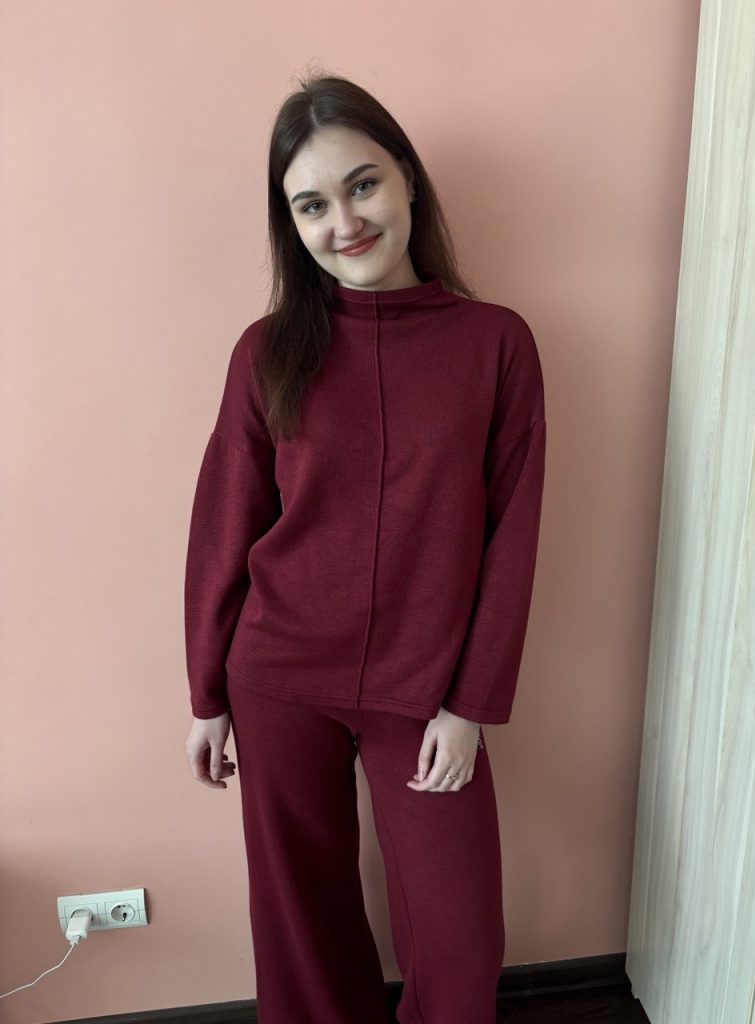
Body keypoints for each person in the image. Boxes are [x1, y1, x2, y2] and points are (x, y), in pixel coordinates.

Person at [184, 72, 546, 1024]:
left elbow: (512, 536)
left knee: (462, 938)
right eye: (311, 204)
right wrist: (208, 694)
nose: (343, 222)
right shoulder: (267, 353)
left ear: (408, 180)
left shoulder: (497, 344)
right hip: (279, 678)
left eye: (362, 185)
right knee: (301, 928)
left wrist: (470, 706)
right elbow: (224, 523)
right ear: (291, 223)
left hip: (425, 688)